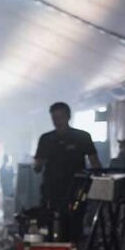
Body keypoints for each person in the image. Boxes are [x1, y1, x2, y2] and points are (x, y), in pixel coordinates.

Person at [33, 101, 101, 240]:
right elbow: (37, 167)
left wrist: (98, 183)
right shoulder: (46, 139)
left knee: (75, 225)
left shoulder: (82, 137)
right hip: (52, 191)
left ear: (68, 117)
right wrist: (39, 164)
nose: (57, 121)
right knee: (51, 225)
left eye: (60, 117)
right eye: (54, 118)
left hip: (76, 190)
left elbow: (95, 162)